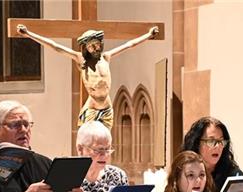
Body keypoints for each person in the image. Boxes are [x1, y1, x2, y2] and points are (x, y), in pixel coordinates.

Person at [16, 24, 159, 129]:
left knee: (105, 144)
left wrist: (149, 35)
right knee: (88, 144)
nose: (96, 48)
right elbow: (55, 46)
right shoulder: (81, 60)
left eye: (97, 45)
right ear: (86, 48)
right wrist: (29, 34)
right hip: (92, 108)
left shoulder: (106, 57)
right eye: (92, 46)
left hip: (107, 108)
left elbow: (129, 45)